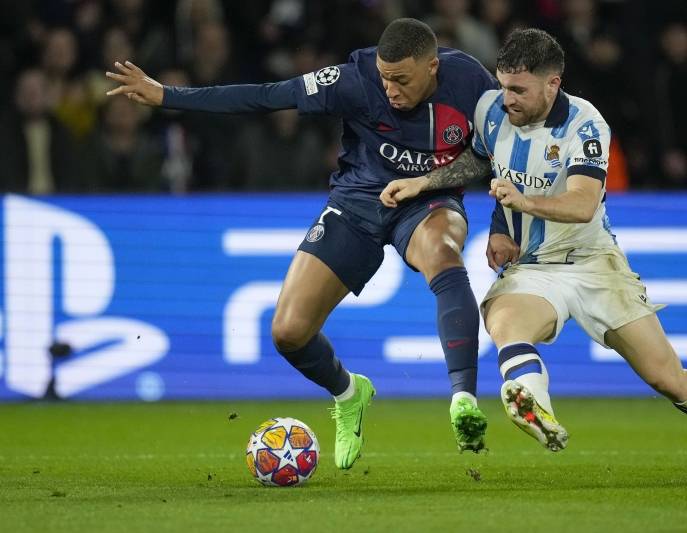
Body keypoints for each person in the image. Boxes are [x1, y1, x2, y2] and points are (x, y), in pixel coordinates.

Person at [380, 28, 687, 483]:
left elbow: (583, 203)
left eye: (519, 90)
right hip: (533, 266)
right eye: (503, 85)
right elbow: (484, 162)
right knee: (505, 321)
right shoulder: (491, 110)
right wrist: (432, 188)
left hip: (593, 264)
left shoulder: (585, 126)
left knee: (667, 378)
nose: (506, 99)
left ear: (553, 84)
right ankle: (535, 405)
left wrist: (523, 203)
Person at [106, 18, 497, 468]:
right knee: (288, 333)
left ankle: (462, 400)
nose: (390, 90)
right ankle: (349, 394)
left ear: (432, 67)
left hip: (429, 201)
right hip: (357, 202)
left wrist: (491, 218)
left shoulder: (471, 82)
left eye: (402, 80)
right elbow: (267, 95)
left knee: (443, 253)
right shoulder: (355, 80)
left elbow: (498, 156)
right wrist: (168, 96)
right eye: (385, 78)